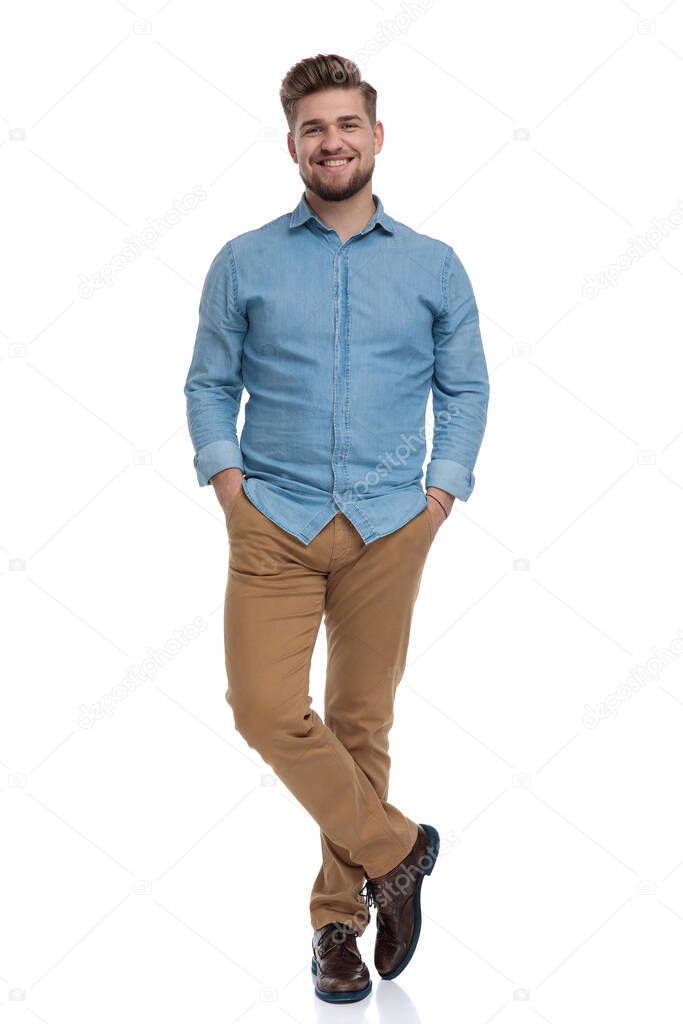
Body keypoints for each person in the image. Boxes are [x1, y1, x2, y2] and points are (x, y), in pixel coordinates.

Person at [184, 52, 489, 1003]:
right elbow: (206, 384)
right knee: (264, 709)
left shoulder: (434, 264)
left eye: (346, 124)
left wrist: (438, 498)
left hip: (393, 520)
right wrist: (229, 487)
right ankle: (399, 849)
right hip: (271, 518)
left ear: (376, 136)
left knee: (360, 722)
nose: (332, 141)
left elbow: (466, 389)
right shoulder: (245, 259)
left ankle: (336, 926)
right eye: (313, 128)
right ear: (292, 145)